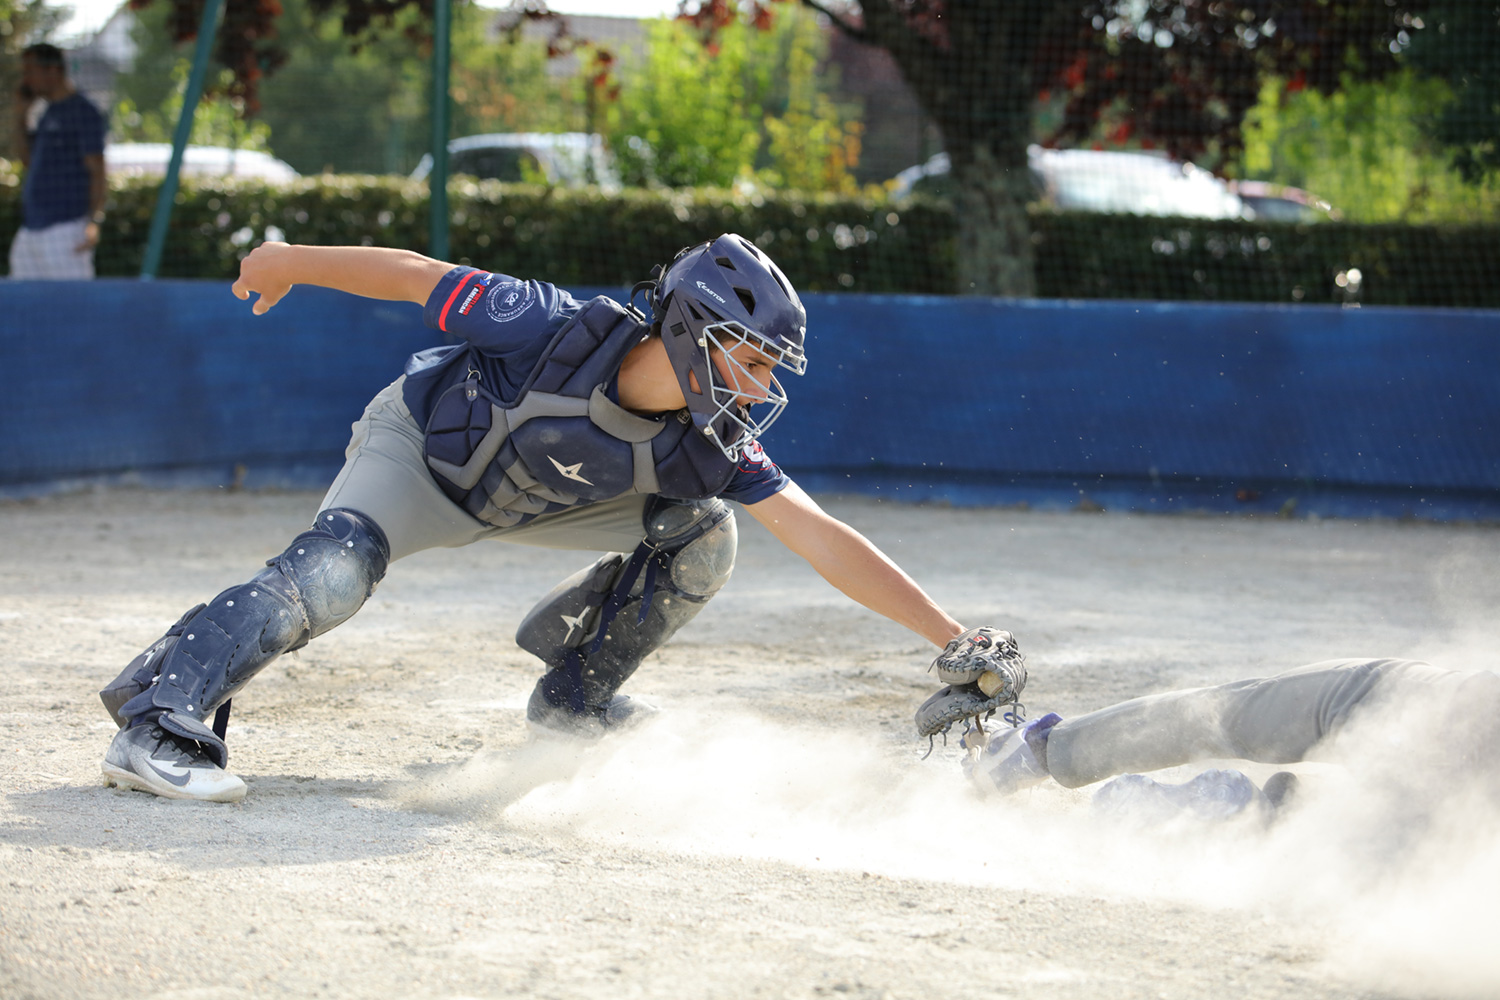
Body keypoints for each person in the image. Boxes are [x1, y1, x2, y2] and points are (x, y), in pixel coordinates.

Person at [99, 234, 1010, 803]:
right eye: (756, 360)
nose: (766, 385)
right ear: (695, 332)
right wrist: (288, 262)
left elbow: (823, 537)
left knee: (704, 533)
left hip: (540, 501)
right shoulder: (553, 323)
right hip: (425, 455)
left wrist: (955, 638)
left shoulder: (714, 443)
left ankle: (575, 697)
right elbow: (416, 276)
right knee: (335, 574)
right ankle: (156, 718)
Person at [961, 656, 1500, 818]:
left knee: (1220, 714)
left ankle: (1034, 753)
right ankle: (1249, 819)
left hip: (1423, 704)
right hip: (1458, 796)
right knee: (1391, 840)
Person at [8, 43, 107, 280]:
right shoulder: (46, 113)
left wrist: (93, 221)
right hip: (32, 227)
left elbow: (97, 171)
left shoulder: (83, 111)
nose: (26, 80)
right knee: (24, 305)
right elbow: (27, 161)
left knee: (73, 307)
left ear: (52, 70)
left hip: (66, 228)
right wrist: (20, 117)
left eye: (30, 71)